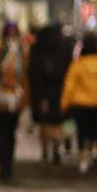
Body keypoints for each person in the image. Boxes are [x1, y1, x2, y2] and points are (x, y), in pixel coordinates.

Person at [0, 22, 30, 182]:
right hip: (15, 101)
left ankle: (4, 164)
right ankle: (8, 165)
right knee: (10, 133)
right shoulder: (23, 52)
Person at [61, 34, 97, 173]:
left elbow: (69, 85)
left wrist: (65, 102)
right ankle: (95, 148)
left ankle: (83, 159)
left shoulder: (77, 64)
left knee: (82, 132)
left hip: (80, 103)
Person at [28, 24, 71, 164]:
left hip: (41, 92)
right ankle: (57, 146)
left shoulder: (37, 50)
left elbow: (32, 73)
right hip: (59, 91)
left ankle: (45, 149)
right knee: (57, 122)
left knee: (44, 123)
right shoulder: (63, 49)